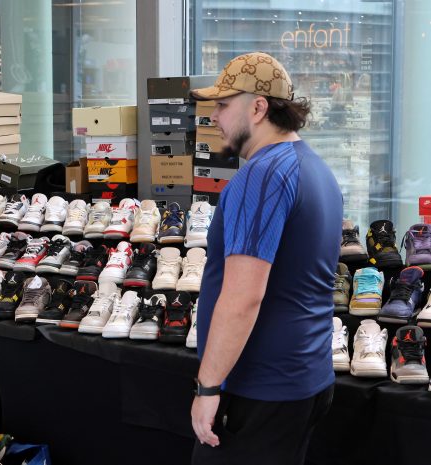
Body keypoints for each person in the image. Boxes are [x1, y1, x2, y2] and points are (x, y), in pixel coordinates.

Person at [189, 52, 343, 465]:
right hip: (305, 380)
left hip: (260, 390)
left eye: (223, 105)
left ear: (258, 108)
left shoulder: (262, 175)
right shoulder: (316, 169)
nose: (214, 117)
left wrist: (207, 387)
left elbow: (243, 297)